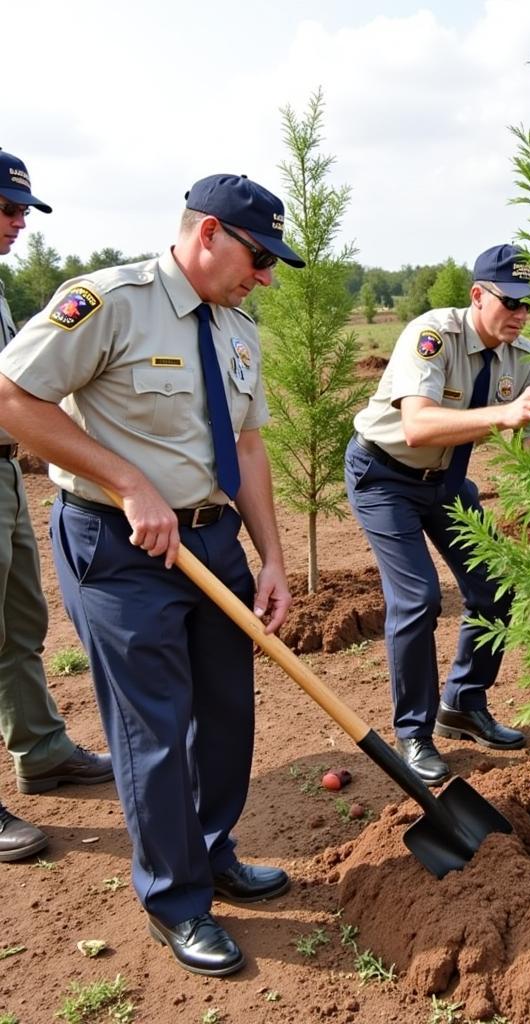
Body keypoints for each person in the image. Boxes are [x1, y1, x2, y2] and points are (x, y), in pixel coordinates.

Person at [0, 173, 302, 975]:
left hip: (214, 541)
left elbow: (248, 448)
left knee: (227, 711)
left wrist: (272, 556)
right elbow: (12, 397)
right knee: (157, 729)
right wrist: (129, 482)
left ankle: (212, 851)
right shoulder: (108, 302)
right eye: (259, 256)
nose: (265, 275)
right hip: (118, 547)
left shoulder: (238, 328)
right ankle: (176, 898)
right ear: (207, 233)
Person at [345, 244, 530, 786]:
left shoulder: (527, 358)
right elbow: (419, 427)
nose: (519, 315)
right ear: (477, 295)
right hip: (385, 476)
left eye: (527, 305)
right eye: (508, 302)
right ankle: (414, 734)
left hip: (445, 483)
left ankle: (463, 705)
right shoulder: (433, 335)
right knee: (418, 597)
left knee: (498, 585)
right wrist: (509, 414)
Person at [0, 149, 113, 864]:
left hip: (6, 477)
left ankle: (41, 752)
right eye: (7, 210)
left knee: (19, 624)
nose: (17, 225)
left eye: (21, 213)